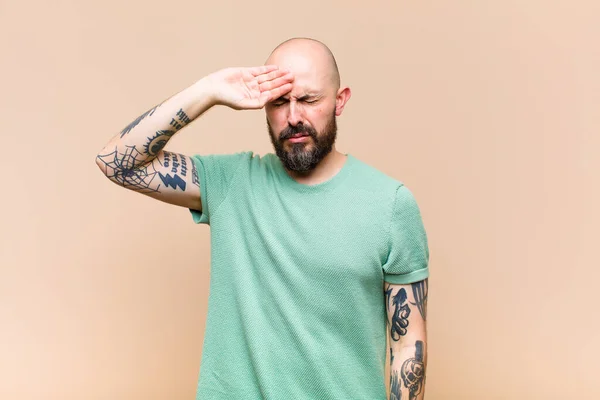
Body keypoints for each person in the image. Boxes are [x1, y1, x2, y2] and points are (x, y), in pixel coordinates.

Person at [96, 37, 430, 400]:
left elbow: (408, 342)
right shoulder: (231, 183)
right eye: (278, 102)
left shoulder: (390, 204)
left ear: (340, 100)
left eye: (308, 99)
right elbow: (117, 161)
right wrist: (208, 91)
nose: (293, 117)